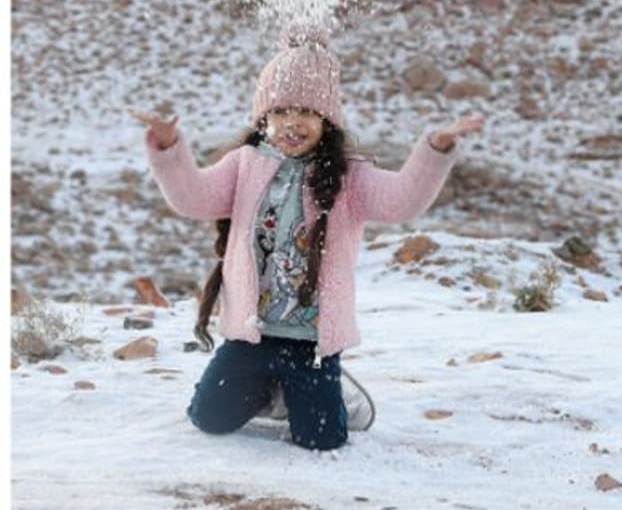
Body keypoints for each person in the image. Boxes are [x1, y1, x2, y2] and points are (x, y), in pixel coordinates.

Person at [129, 22, 484, 451]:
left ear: (325, 120)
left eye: (304, 112)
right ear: (264, 118)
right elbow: (192, 197)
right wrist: (168, 147)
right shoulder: (244, 163)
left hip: (311, 341)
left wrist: (436, 148)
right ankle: (269, 386)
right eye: (279, 112)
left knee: (321, 440)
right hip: (251, 334)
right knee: (209, 419)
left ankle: (326, 391)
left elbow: (401, 202)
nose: (290, 123)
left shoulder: (349, 174)